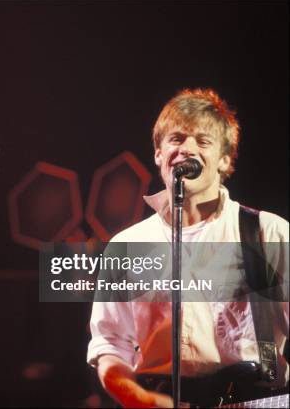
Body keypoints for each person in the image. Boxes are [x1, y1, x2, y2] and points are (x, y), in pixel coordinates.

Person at [87, 88, 289, 407]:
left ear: (225, 159)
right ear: (158, 153)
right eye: (176, 138)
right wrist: (142, 399)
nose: (187, 149)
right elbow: (110, 345)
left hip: (256, 399)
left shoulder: (267, 231)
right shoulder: (127, 246)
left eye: (203, 140)